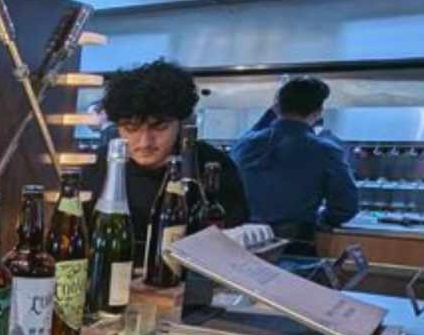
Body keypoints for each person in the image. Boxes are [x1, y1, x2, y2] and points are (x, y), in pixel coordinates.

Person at [83, 58, 248, 261]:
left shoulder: (213, 167)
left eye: (159, 127)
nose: (145, 141)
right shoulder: (98, 165)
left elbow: (233, 245)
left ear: (181, 123)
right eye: (131, 128)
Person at [232, 75, 359, 239]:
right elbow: (346, 207)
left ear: (276, 107)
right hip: (295, 242)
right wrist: (321, 219)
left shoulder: (245, 144)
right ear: (319, 112)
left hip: (244, 239)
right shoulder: (325, 151)